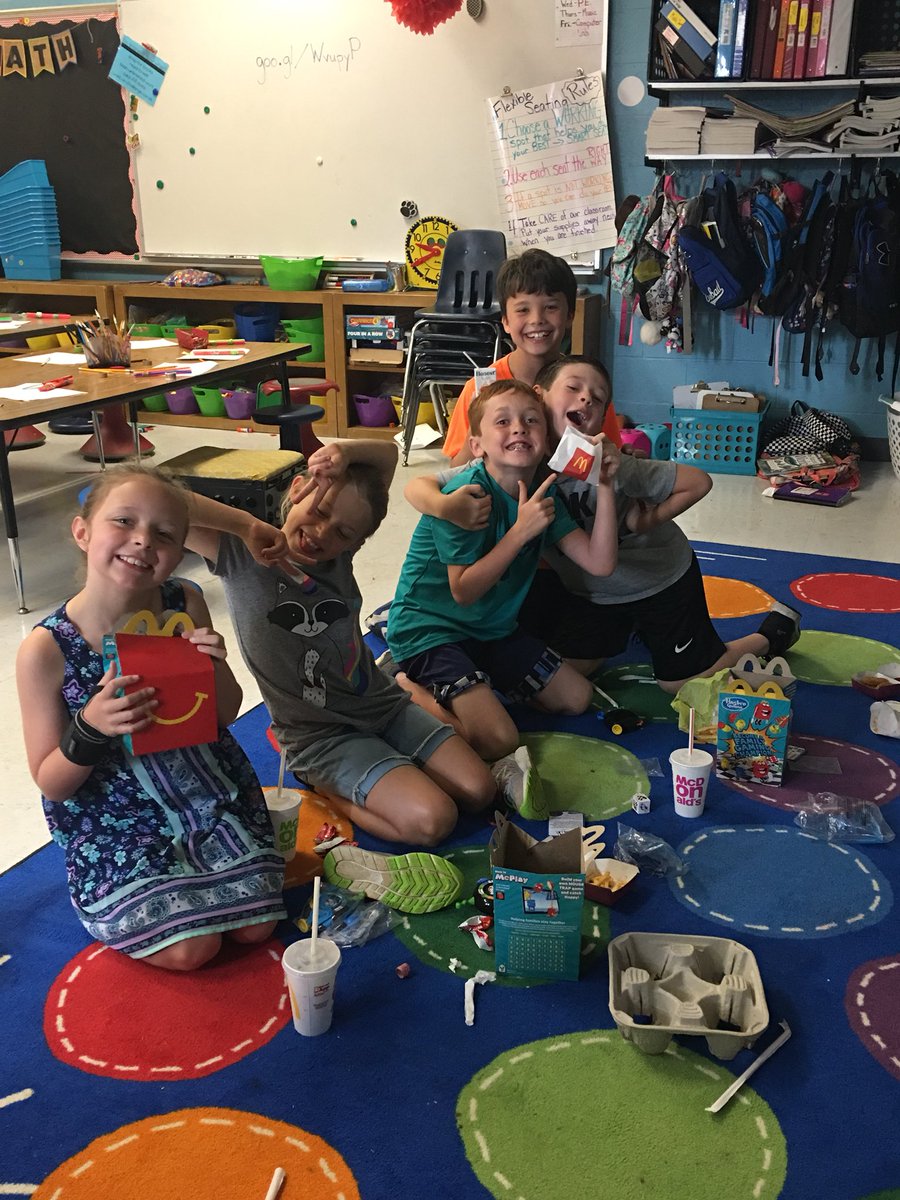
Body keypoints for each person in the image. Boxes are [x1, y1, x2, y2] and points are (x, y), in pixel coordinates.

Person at [16, 465, 285, 972]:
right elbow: (52, 782)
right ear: (82, 532)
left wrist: (213, 665)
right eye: (123, 521)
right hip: (115, 819)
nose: (142, 541)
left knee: (255, 926)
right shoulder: (46, 649)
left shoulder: (184, 601)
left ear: (181, 550)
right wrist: (91, 726)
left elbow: (223, 714)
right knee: (192, 949)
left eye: (164, 534)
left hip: (205, 794)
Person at [408, 356, 801, 695]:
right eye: (574, 388)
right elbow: (422, 484)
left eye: (597, 398)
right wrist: (447, 507)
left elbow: (699, 482)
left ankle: (771, 634)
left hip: (659, 580)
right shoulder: (511, 461)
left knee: (679, 682)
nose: (585, 398)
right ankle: (633, 632)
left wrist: (639, 520)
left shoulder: (608, 461)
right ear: (540, 396)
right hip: (594, 594)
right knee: (572, 669)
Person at [183, 438, 497, 850]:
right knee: (434, 820)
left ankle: (401, 708)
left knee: (480, 791)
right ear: (297, 489)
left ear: (357, 543)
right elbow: (153, 501)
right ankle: (325, 784)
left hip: (381, 704)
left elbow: (385, 457)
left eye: (342, 532)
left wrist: (345, 452)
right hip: (319, 735)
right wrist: (244, 524)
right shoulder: (241, 555)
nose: (320, 533)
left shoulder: (338, 559)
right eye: (319, 511)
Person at [386, 378, 618, 764]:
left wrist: (607, 484)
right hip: (428, 630)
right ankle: (407, 688)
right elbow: (463, 590)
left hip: (491, 632)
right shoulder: (465, 497)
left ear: (545, 440)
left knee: (577, 699)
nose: (518, 428)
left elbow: (601, 562)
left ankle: (476, 687)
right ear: (477, 445)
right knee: (498, 741)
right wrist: (520, 532)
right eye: (503, 421)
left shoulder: (544, 494)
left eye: (531, 421)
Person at [441, 247, 621, 466]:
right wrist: (478, 424)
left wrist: (618, 456)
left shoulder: (588, 389)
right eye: (523, 310)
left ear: (570, 315)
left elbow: (610, 454)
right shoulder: (480, 390)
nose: (537, 319)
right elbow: (456, 471)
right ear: (505, 321)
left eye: (551, 307)